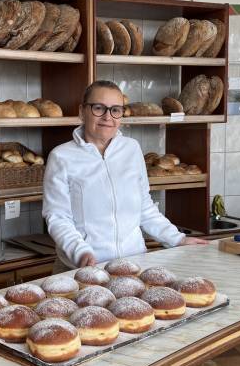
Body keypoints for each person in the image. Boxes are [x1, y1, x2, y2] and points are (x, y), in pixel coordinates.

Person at [42, 80, 208, 273]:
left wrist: (177, 238)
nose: (107, 117)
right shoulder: (61, 156)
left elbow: (144, 206)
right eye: (98, 108)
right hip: (84, 267)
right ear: (82, 111)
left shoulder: (132, 149)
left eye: (115, 110)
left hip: (133, 263)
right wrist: (80, 252)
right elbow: (58, 216)